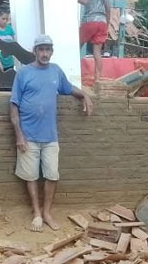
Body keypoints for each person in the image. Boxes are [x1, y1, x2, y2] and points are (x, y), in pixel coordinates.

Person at [10, 35, 93, 232]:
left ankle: (47, 212)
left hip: (50, 136)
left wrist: (84, 95)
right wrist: (19, 135)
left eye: (48, 50)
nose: (45, 53)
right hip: (28, 135)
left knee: (52, 175)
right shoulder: (23, 73)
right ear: (35, 51)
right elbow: (13, 105)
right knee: (30, 176)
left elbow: (67, 88)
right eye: (41, 49)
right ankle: (37, 213)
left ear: (52, 52)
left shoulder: (56, 71)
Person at [77, 0, 111, 85]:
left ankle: (73, 74)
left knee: (76, 47)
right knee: (97, 53)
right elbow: (108, 7)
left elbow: (85, 0)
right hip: (102, 21)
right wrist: (107, 24)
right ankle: (97, 80)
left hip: (89, 20)